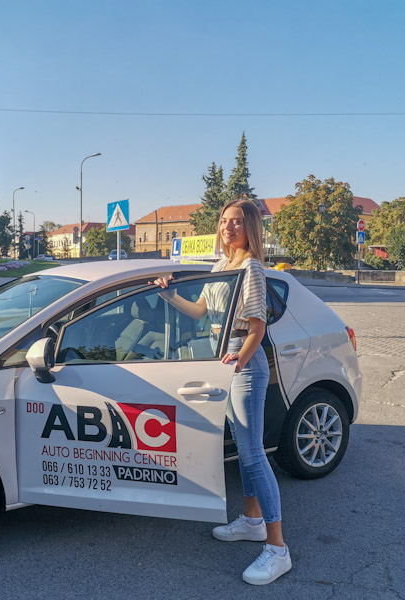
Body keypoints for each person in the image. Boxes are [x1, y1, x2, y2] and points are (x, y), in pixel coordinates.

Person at [153, 198, 291, 585]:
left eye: (237, 222)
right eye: (224, 221)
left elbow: (257, 329)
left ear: (250, 229)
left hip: (243, 363)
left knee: (253, 454)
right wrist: (168, 295)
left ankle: (278, 549)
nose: (228, 228)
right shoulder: (222, 266)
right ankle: (251, 521)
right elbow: (200, 311)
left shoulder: (251, 268)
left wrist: (239, 362)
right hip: (224, 361)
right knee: (244, 450)